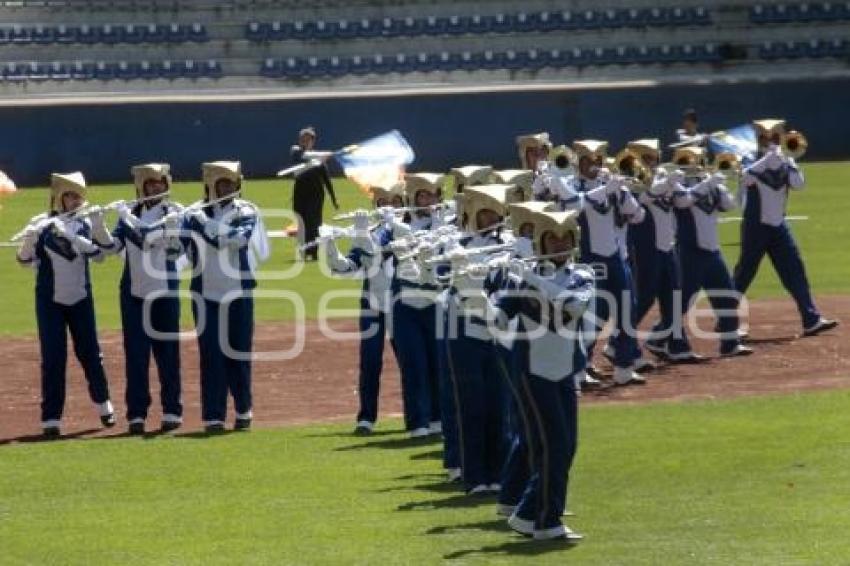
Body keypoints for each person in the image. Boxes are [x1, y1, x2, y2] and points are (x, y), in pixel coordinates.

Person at [474, 208, 592, 542]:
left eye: (564, 239)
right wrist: (472, 291)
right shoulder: (521, 281)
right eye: (552, 238)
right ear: (541, 242)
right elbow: (496, 321)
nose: (559, 244)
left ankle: (527, 514)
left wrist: (533, 279)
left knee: (565, 447)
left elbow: (573, 306)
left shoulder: (582, 275)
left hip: (565, 373)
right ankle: (546, 521)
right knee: (551, 446)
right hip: (532, 373)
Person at [15, 172, 116, 438]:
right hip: (49, 301)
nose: (74, 201)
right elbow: (24, 261)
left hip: (81, 298)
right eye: (69, 196)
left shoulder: (85, 222)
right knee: (53, 358)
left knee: (90, 354)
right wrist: (30, 238)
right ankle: (51, 418)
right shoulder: (42, 224)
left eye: (78, 196)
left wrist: (98, 226)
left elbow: (102, 255)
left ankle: (104, 404)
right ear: (58, 198)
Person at [97, 163, 184, 435]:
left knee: (167, 354)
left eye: (160, 183)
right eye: (150, 184)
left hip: (164, 292)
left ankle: (172, 410)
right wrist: (98, 225)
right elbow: (113, 247)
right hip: (133, 293)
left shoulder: (175, 213)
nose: (155, 188)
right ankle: (136, 414)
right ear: (141, 187)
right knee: (135, 355)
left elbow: (148, 238)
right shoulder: (131, 213)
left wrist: (126, 217)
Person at [182, 161, 268, 433]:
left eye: (230, 183)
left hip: (238, 290)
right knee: (211, 355)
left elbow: (236, 239)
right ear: (211, 185)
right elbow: (176, 254)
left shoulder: (247, 210)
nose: (226, 188)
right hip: (204, 292)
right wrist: (171, 230)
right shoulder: (193, 212)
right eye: (221, 184)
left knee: (239, 352)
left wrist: (204, 223)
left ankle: (243, 408)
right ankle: (213, 415)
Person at [733, 119, 837, 337]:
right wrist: (768, 159)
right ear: (760, 140)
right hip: (756, 226)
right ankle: (726, 322)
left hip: (779, 225)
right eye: (767, 138)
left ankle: (811, 318)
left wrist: (789, 161)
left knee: (794, 269)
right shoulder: (749, 159)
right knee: (744, 273)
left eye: (775, 138)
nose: (772, 142)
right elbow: (746, 178)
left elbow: (799, 184)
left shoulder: (784, 162)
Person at [443, 185, 514, 495]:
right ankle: (475, 476)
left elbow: (511, 288)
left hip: (500, 334)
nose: (489, 220)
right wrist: (456, 265)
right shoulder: (457, 244)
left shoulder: (511, 246)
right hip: (465, 335)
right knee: (471, 406)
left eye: (494, 214)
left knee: (501, 407)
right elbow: (439, 278)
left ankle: (501, 474)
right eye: (483, 214)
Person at [559, 140, 645, 386]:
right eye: (588, 161)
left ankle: (624, 368)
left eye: (597, 160)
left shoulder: (610, 185)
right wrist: (606, 190)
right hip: (589, 258)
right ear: (579, 163)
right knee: (591, 316)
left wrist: (621, 190)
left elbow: (638, 215)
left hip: (615, 257)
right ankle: (579, 367)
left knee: (627, 310)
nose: (593, 166)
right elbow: (575, 205)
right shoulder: (572, 185)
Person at [324, 182, 406, 435]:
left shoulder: (409, 231)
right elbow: (347, 267)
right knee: (370, 361)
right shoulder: (367, 232)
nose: (387, 207)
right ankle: (366, 417)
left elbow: (380, 250)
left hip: (403, 307)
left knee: (410, 362)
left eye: (393, 202)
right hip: (372, 305)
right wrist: (330, 245)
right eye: (382, 203)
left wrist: (363, 233)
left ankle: (419, 415)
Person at [670, 148, 753, 358]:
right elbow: (683, 201)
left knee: (726, 294)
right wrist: (708, 183)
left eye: (696, 160)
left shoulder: (711, 183)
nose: (692, 165)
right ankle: (659, 337)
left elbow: (730, 205)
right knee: (685, 298)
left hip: (712, 250)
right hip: (689, 250)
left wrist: (735, 184)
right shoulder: (676, 183)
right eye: (687, 161)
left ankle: (730, 342)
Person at [389, 173, 446, 438]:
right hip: (406, 303)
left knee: (437, 362)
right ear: (413, 198)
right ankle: (417, 421)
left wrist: (439, 222)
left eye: (432, 194)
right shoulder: (399, 226)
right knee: (414, 364)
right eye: (422, 195)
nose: (427, 200)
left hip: (436, 303)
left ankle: (437, 417)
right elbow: (377, 250)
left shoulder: (447, 224)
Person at [291, 126, 339, 261]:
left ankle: (314, 251)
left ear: (313, 142)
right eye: (302, 140)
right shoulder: (295, 152)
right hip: (300, 195)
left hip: (316, 196)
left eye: (307, 140)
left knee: (314, 223)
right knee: (302, 223)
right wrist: (325, 154)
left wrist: (334, 199)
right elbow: (303, 156)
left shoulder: (320, 161)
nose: (304, 142)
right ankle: (303, 250)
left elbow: (326, 180)